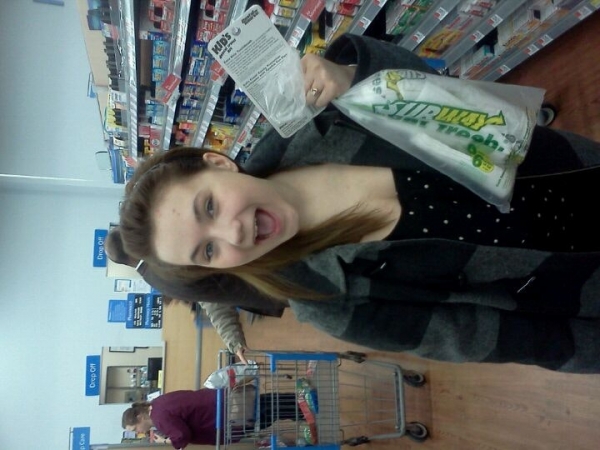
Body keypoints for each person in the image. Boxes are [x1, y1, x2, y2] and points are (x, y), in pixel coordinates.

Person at [118, 33, 600, 374]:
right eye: (208, 251)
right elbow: (479, 337)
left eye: (208, 207)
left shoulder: (319, 119)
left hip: (568, 172)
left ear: (219, 163)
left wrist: (355, 76)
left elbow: (445, 97)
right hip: (575, 281)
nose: (233, 233)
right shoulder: (325, 300)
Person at [104, 227, 264, 362]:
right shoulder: (163, 268)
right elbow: (211, 298)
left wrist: (233, 341)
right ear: (131, 249)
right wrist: (234, 341)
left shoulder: (156, 275)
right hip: (258, 273)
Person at [122, 389, 299, 449]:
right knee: (268, 402)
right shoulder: (158, 403)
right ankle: (300, 397)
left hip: (225, 417)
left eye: (135, 428)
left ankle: (304, 408)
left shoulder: (159, 419)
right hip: (223, 399)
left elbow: (182, 435)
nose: (138, 432)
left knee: (271, 411)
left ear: (139, 417)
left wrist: (168, 442)